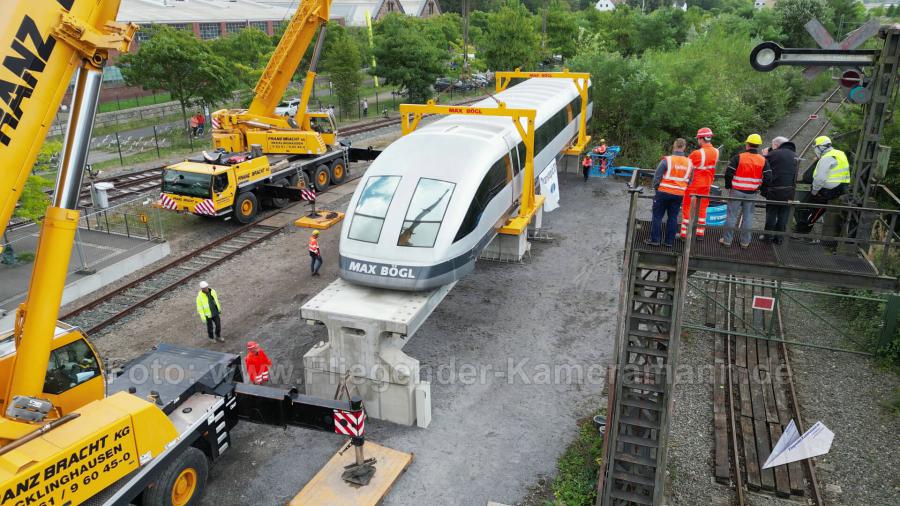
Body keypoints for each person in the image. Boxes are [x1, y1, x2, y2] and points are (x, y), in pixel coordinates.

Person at [720, 134, 772, 248]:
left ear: (747, 144)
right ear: (758, 145)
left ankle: (727, 241)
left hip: (736, 191)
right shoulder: (763, 160)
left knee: (731, 216)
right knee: (748, 217)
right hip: (751, 193)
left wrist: (728, 186)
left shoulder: (738, 157)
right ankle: (745, 242)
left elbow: (729, 173)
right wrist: (760, 188)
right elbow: (768, 177)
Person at [794, 136, 850, 235]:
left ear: (821, 147)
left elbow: (820, 178)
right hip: (841, 187)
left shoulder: (827, 158)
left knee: (809, 205)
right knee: (818, 206)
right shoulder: (840, 154)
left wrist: (814, 191)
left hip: (828, 190)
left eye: (816, 148)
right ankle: (804, 227)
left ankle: (802, 229)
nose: (815, 151)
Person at [646, 138, 693, 247]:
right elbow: (690, 180)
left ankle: (655, 240)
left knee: (657, 216)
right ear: (684, 147)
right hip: (679, 194)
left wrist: (657, 188)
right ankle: (669, 242)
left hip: (664, 192)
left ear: (674, 146)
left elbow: (657, 177)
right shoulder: (690, 163)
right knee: (673, 217)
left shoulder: (667, 160)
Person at [680, 127, 719, 240]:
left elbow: (686, 166)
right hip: (707, 184)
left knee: (687, 207)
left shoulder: (697, 153)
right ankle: (700, 233)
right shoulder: (716, 152)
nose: (698, 140)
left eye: (698, 138)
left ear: (701, 139)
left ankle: (684, 234)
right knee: (702, 207)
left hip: (693, 185)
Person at [761, 136, 797, 244]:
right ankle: (779, 238)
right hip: (789, 190)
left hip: (774, 189)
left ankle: (767, 237)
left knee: (771, 213)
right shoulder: (794, 155)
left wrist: (765, 155)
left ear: (776, 145)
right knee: (783, 214)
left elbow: (763, 167)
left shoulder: (773, 154)